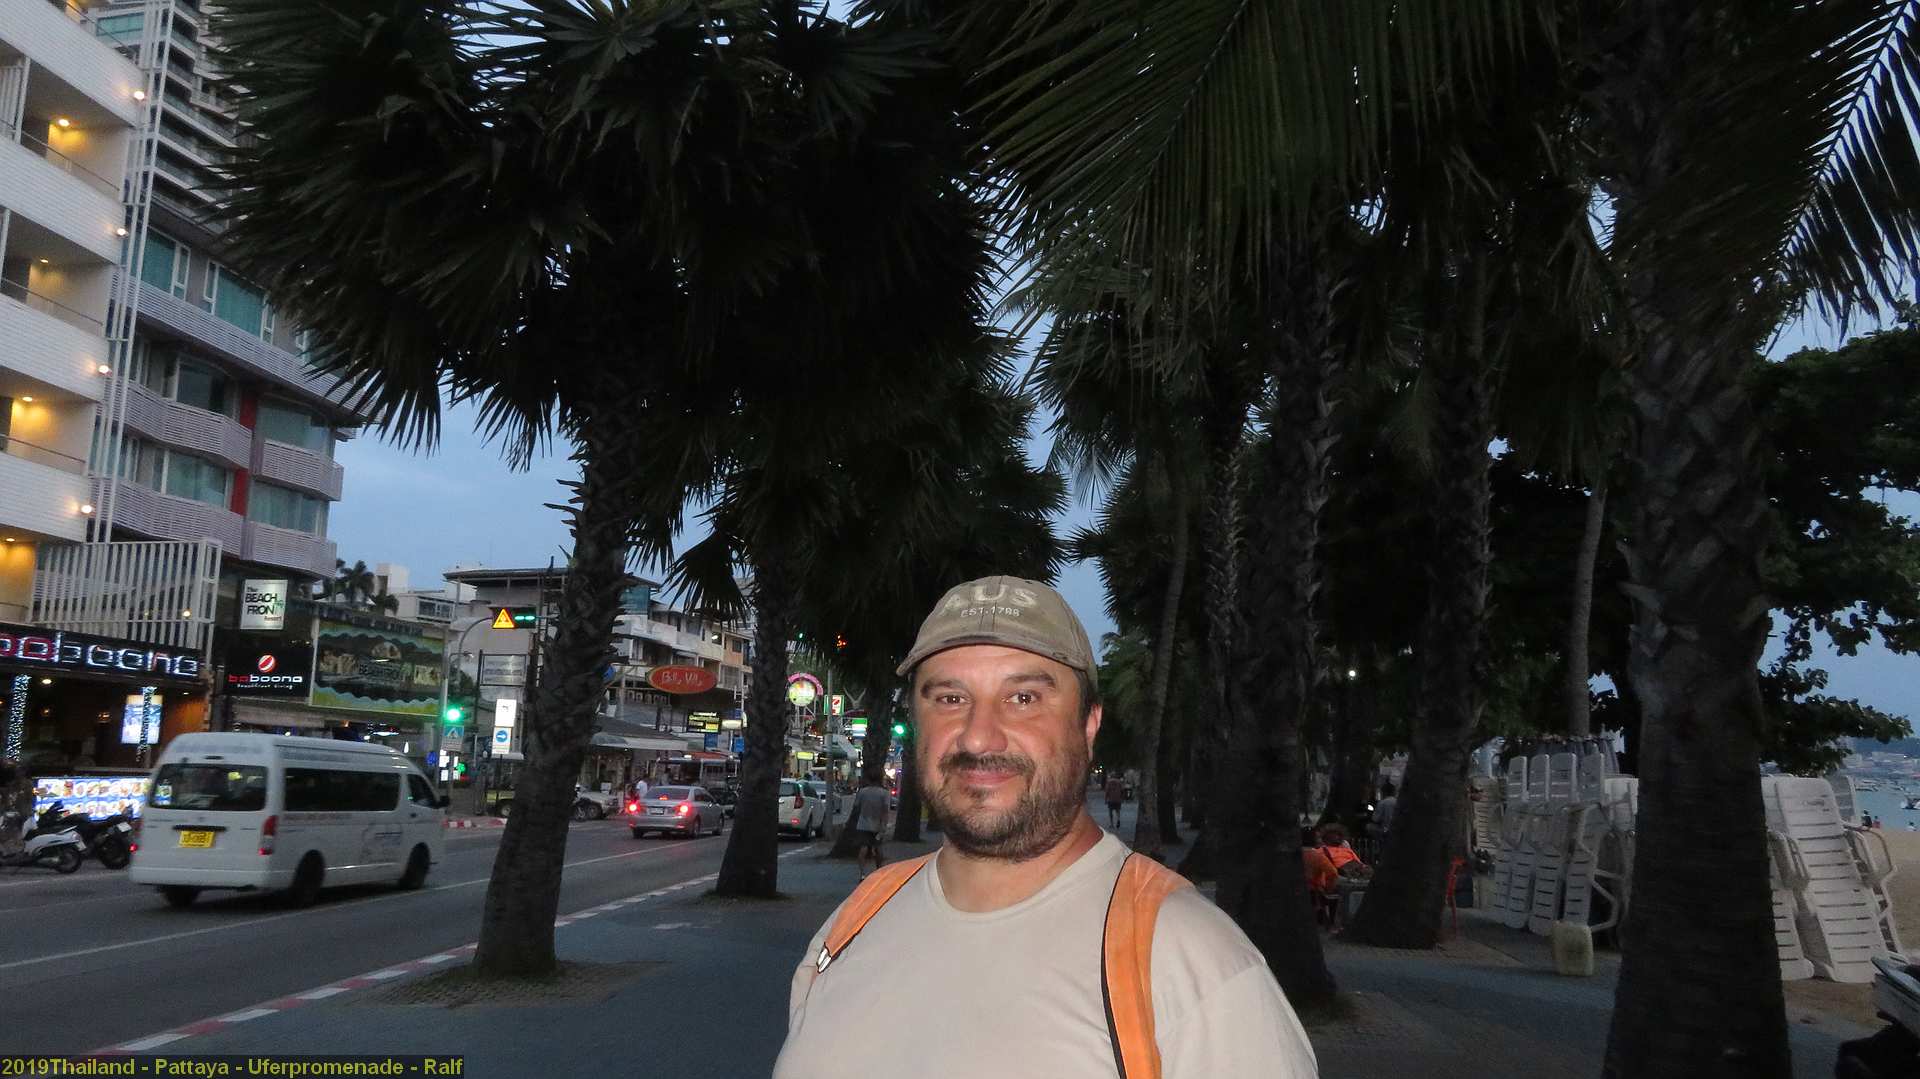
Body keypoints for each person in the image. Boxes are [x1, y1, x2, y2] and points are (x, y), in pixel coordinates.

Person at [774, 575, 1318, 1079]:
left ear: (1089, 725)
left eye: (1024, 698)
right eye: (951, 698)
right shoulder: (858, 918)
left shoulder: (1195, 967)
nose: (978, 737)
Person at [850, 774, 892, 880]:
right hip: (878, 824)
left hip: (863, 823)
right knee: (878, 848)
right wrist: (884, 825)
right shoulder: (884, 793)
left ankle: (862, 873)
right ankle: (879, 870)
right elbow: (885, 810)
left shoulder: (862, 792)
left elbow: (856, 807)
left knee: (863, 848)